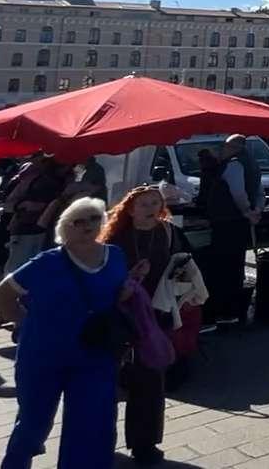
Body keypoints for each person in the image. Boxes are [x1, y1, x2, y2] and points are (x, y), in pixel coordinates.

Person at [0, 197, 137, 469]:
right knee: (34, 420)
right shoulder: (45, 263)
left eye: (94, 218)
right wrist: (30, 325)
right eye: (78, 221)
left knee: (93, 421)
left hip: (96, 353)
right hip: (44, 354)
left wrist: (126, 293)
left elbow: (113, 297)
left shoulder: (115, 255)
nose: (88, 225)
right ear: (64, 227)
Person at [101, 187, 184, 465]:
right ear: (130, 208)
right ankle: (100, 440)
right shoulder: (116, 238)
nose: (150, 208)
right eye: (143, 204)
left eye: (155, 203)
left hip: (156, 312)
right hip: (120, 313)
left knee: (151, 381)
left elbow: (183, 262)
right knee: (107, 382)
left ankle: (145, 443)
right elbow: (100, 280)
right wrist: (128, 277)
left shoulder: (168, 232)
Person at [197, 149, 257, 328]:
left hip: (226, 224)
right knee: (233, 267)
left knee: (224, 267)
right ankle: (231, 310)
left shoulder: (217, 173)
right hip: (232, 222)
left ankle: (225, 310)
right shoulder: (222, 171)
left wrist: (247, 211)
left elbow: (206, 199)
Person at [5, 157, 72, 274]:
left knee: (32, 265)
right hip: (27, 227)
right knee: (19, 266)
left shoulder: (62, 181)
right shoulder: (33, 180)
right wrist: (23, 205)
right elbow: (9, 204)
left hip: (44, 229)